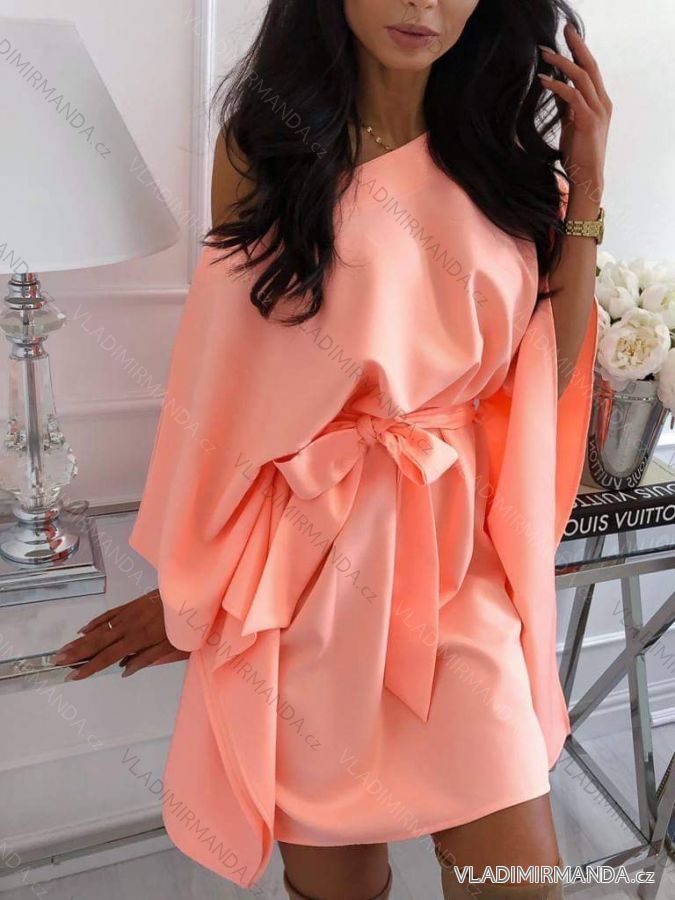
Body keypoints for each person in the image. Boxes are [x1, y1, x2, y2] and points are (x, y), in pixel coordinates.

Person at [53, 1, 611, 897]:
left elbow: (545, 370)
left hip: (459, 572)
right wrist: (197, 594)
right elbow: (228, 394)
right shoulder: (267, 150)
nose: (423, 4)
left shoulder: (501, 159)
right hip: (311, 577)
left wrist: (584, 185)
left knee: (523, 883)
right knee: (338, 888)